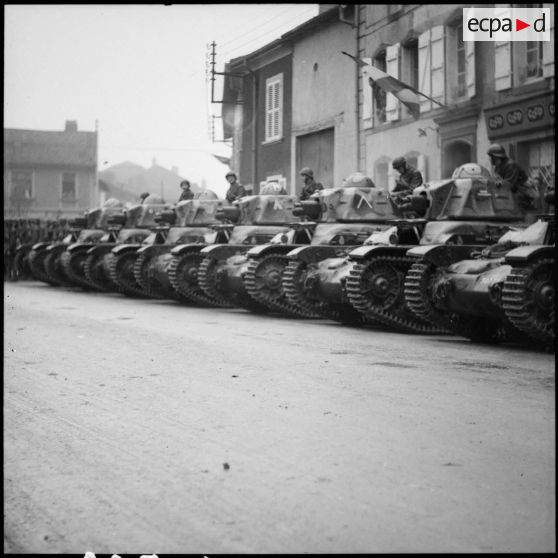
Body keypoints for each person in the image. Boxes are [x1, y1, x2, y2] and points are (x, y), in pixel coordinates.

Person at [487, 144, 537, 210]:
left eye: (490, 157)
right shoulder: (498, 167)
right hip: (510, 195)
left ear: (495, 157)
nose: (489, 159)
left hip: (522, 194)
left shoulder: (511, 165)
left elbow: (509, 184)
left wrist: (497, 183)